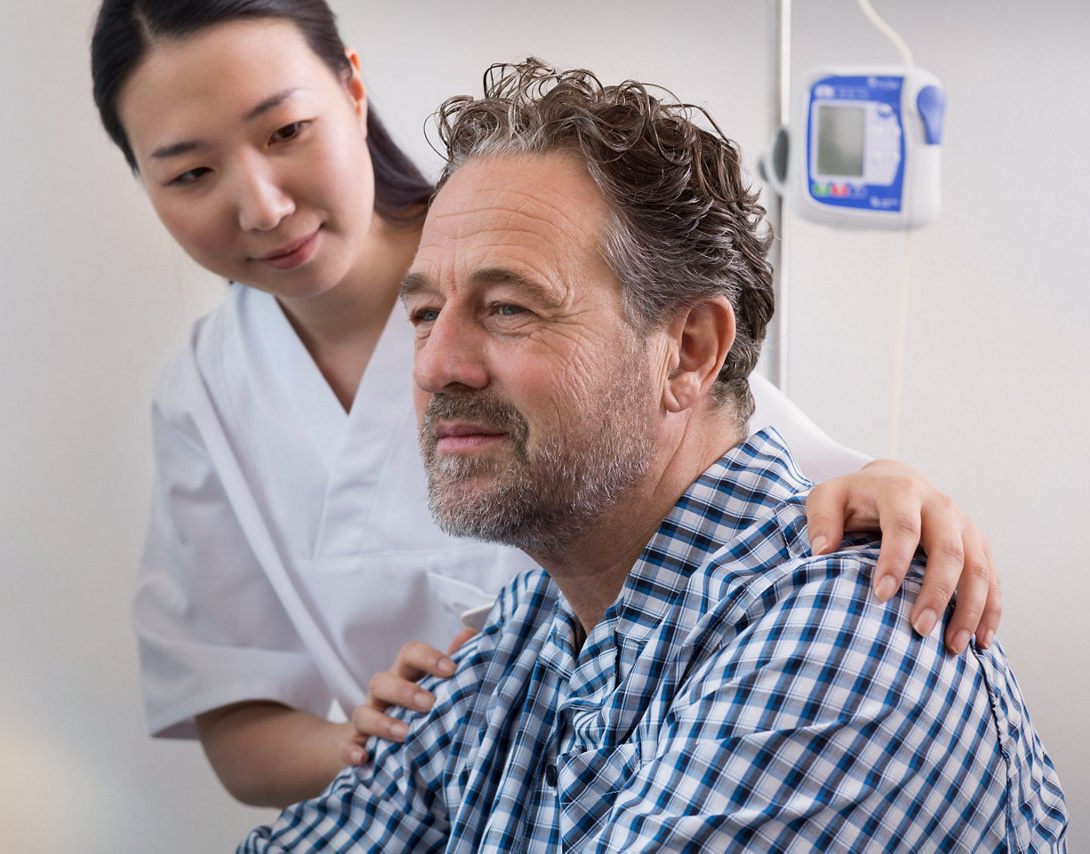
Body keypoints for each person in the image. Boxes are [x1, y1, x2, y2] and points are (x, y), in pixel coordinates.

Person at [89, 0, 1003, 808]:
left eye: (284, 130)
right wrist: (391, 746)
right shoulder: (206, 392)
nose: (262, 204)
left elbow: (736, 453)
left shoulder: (569, 259)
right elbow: (234, 711)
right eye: (189, 174)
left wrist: (887, 486)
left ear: (351, 92)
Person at [238, 60, 1066, 851]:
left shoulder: (849, 648)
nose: (434, 366)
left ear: (689, 350)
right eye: (424, 314)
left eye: (511, 308)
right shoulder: (526, 636)